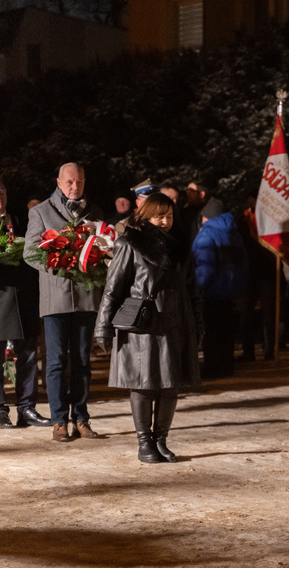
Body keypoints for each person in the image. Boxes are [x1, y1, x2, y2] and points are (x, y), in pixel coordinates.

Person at [94, 193, 202, 463]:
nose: (165, 221)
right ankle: (144, 443)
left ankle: (161, 440)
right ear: (146, 216)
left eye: (170, 215)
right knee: (143, 384)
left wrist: (198, 324)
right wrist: (103, 326)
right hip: (143, 324)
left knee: (169, 385)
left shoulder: (181, 246)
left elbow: (193, 290)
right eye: (159, 216)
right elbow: (112, 288)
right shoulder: (131, 242)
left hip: (176, 321)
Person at [23, 163, 104, 442]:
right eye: (70, 182)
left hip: (85, 298)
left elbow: (104, 248)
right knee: (56, 361)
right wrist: (59, 264)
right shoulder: (41, 211)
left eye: (79, 182)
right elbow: (30, 253)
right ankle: (59, 420)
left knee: (82, 360)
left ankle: (81, 417)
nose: (75, 187)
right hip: (55, 299)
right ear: (58, 181)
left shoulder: (95, 212)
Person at [0, 175, 50, 429]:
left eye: (1, 191)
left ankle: (27, 409)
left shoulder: (21, 219)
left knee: (29, 355)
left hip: (23, 299)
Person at [192, 199, 249, 379]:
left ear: (205, 217)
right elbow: (243, 263)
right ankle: (227, 366)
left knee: (211, 332)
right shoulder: (234, 232)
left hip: (212, 292)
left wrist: (197, 287)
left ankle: (213, 368)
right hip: (230, 291)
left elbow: (204, 266)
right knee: (226, 331)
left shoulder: (206, 234)